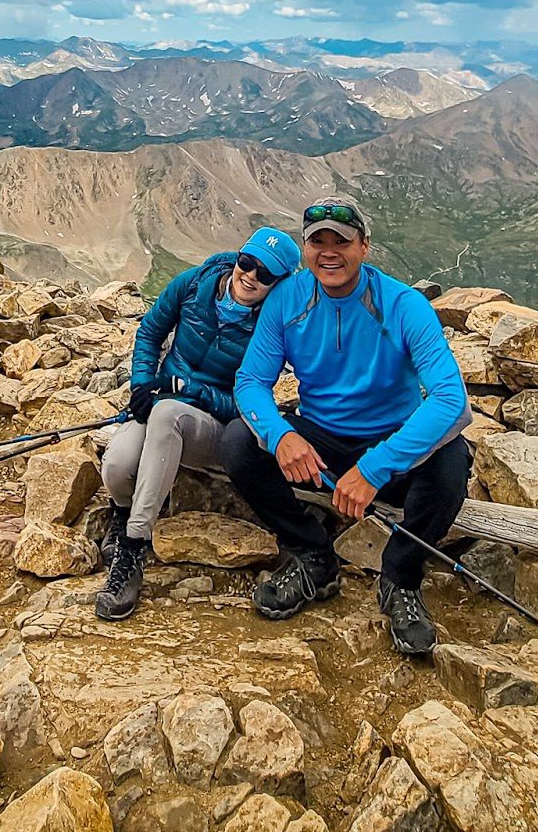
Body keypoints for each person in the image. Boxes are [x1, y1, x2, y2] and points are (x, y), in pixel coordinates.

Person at [224, 196, 472, 656]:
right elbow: (251, 381)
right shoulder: (287, 300)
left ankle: (401, 576)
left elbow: (451, 402)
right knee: (240, 441)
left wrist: (376, 467)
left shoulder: (404, 305)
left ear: (365, 246)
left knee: (451, 461)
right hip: (321, 441)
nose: (329, 251)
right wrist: (283, 436)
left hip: (389, 441)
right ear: (305, 249)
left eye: (342, 240)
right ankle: (312, 554)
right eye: (318, 242)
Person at [96, 225, 302, 621]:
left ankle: (133, 547)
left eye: (266, 274)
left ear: (279, 283)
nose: (251, 276)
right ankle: (121, 513)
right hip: (158, 401)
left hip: (208, 425)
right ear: (237, 257)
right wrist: (141, 384)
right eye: (248, 262)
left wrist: (192, 389)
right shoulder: (195, 283)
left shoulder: (271, 328)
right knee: (118, 467)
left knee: (169, 414)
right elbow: (151, 332)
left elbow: (245, 402)